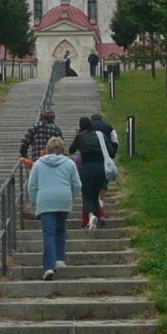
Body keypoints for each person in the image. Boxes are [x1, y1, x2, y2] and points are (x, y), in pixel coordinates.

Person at [27, 135, 81, 280]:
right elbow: (77, 184)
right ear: (62, 149)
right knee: (61, 229)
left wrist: (34, 202)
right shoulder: (69, 163)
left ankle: (49, 267)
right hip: (63, 199)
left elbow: (31, 186)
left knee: (48, 233)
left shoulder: (38, 164)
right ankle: (59, 258)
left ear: (47, 149)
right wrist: (71, 196)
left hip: (45, 201)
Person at [69, 115, 112, 229]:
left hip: (86, 168)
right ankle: (99, 214)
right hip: (100, 167)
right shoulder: (100, 135)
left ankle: (91, 216)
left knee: (88, 194)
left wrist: (78, 137)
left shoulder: (80, 137)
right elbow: (111, 151)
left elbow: (71, 150)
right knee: (98, 193)